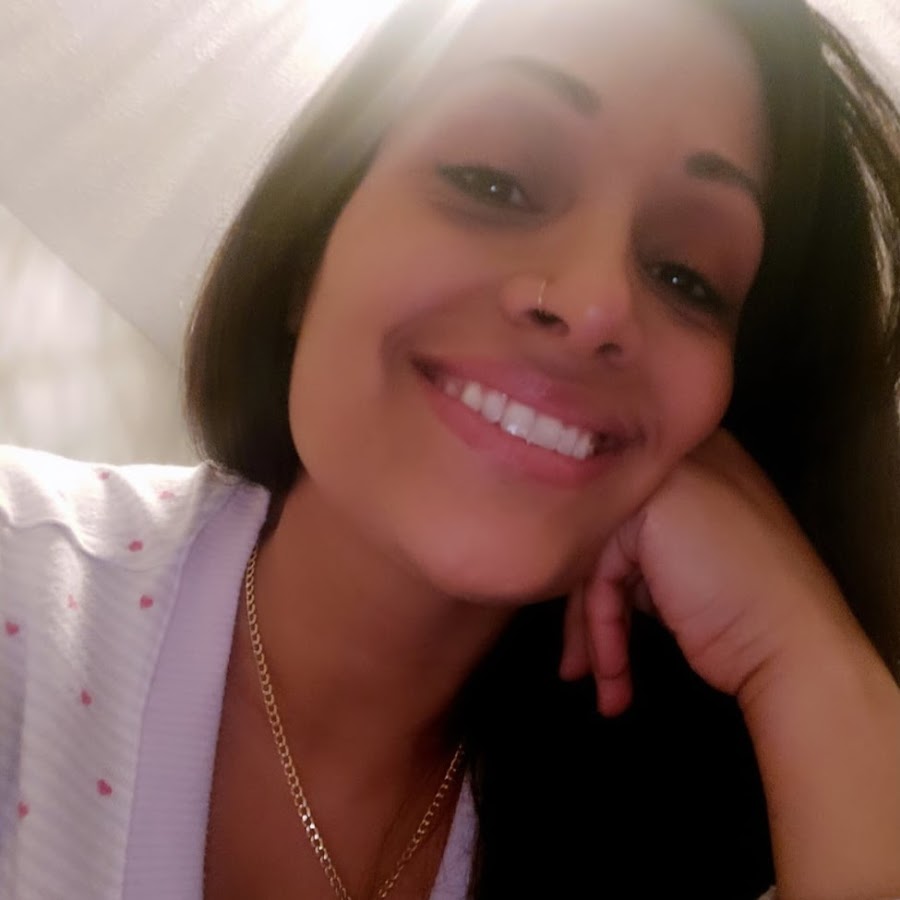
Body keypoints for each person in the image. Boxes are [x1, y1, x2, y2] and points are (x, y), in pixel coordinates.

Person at [2, 0, 900, 897]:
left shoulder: (662, 830)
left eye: (685, 276)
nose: (595, 303)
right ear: (310, 248)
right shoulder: (22, 584)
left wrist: (806, 659)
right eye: (494, 182)